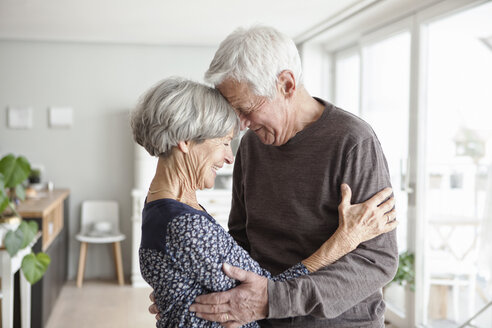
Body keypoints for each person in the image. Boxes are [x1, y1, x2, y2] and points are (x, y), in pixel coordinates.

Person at [179, 26, 399, 328]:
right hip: (260, 318)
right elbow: (240, 240)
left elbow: (376, 261)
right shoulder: (252, 146)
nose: (240, 125)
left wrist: (275, 300)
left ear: (286, 84)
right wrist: (190, 290)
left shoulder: (353, 141)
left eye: (245, 109)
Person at [132, 77, 397, 327]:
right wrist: (343, 241)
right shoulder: (185, 224)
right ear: (186, 141)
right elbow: (263, 294)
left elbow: (249, 284)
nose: (229, 157)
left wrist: (180, 291)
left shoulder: (159, 205)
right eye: (224, 142)